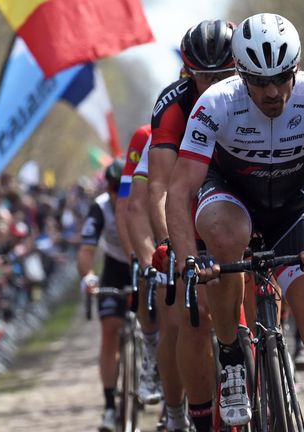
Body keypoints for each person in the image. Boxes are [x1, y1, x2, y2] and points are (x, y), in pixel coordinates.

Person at [167, 13, 304, 430]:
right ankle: (231, 355)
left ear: (296, 67)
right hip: (230, 199)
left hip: (295, 207)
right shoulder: (215, 103)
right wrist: (189, 260)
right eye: (259, 81)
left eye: (281, 77)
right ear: (240, 74)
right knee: (226, 233)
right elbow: (182, 188)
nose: (272, 91)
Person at [146, 19, 236, 432]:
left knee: (257, 289)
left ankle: (267, 357)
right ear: (188, 72)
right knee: (194, 313)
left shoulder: (256, 93)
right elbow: (162, 185)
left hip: (244, 201)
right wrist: (169, 244)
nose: (215, 84)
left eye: (224, 74)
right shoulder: (172, 106)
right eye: (205, 76)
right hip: (192, 207)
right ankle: (195, 417)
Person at [76, 160, 133, 432]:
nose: (115, 194)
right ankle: (110, 406)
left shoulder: (143, 198)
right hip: (114, 269)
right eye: (112, 188)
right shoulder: (99, 207)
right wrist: (88, 276)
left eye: (121, 188)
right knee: (110, 329)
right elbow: (86, 251)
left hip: (142, 265)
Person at [113, 124, 163, 405]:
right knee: (147, 277)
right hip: (152, 227)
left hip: (195, 218)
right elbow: (125, 206)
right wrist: (136, 256)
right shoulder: (146, 136)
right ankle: (152, 351)